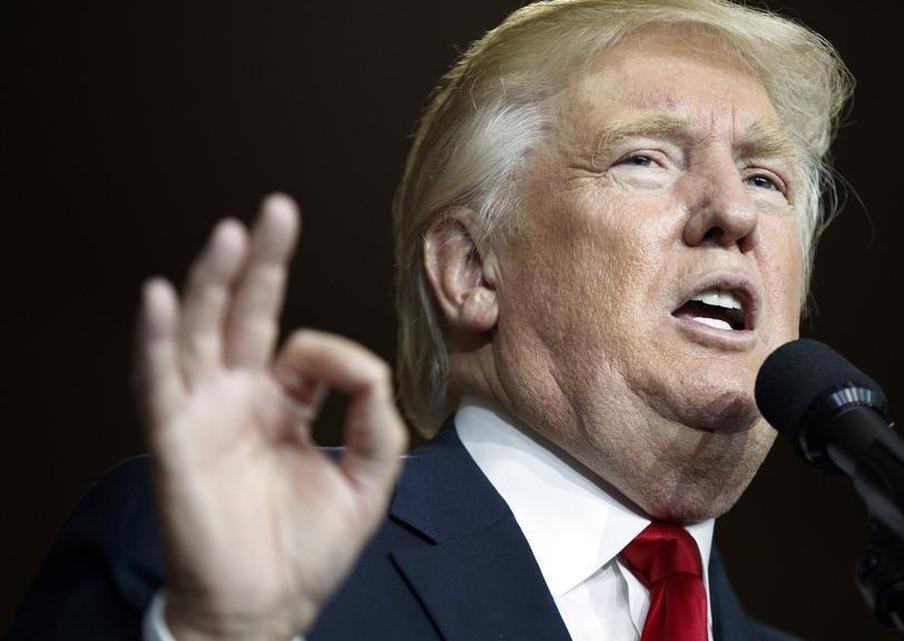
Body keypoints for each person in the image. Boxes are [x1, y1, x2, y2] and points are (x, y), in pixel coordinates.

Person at [9, 1, 851, 640]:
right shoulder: (227, 550)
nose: (731, 212)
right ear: (470, 270)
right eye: (645, 158)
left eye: (767, 180)